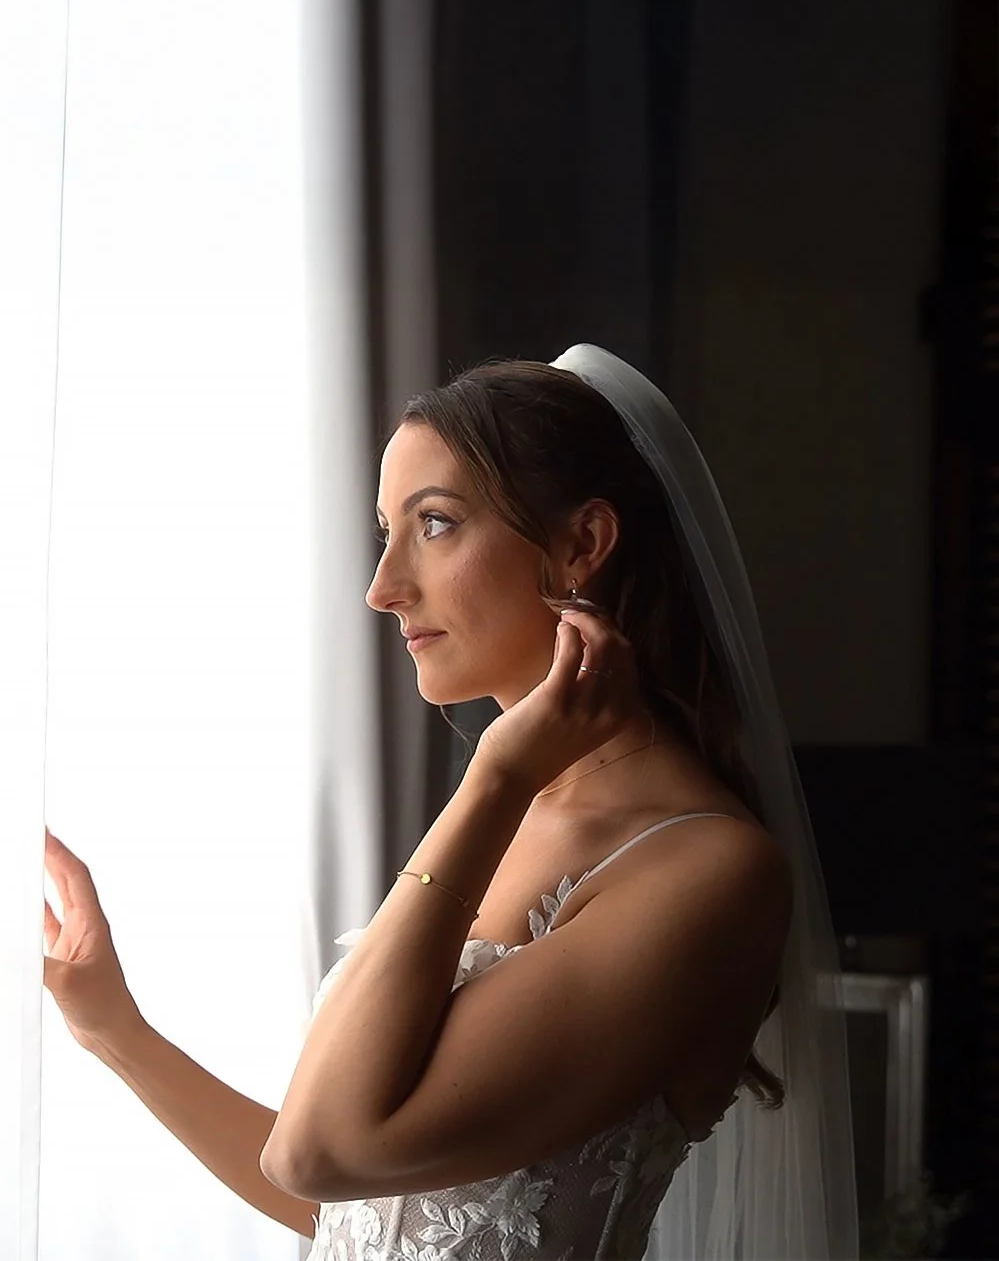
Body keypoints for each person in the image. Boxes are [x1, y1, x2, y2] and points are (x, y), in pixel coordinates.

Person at [44, 344, 858, 1259]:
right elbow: (349, 1208)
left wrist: (497, 776)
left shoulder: (706, 870)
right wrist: (112, 1028)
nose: (383, 587)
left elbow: (322, 1148)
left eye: (432, 523)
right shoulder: (517, 816)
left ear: (581, 544)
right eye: (383, 531)